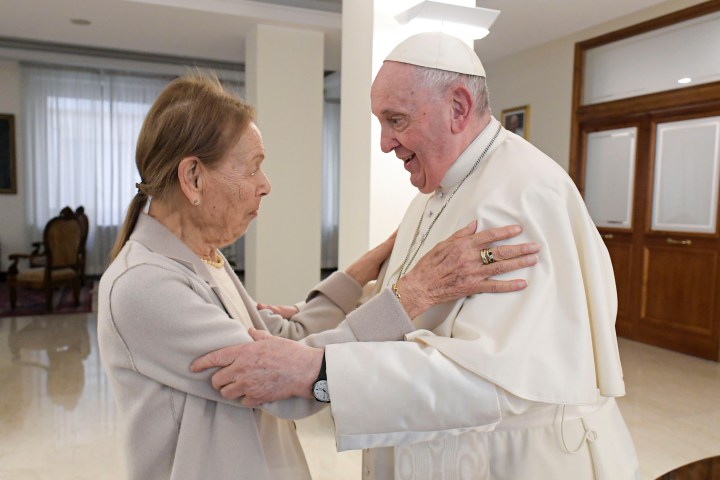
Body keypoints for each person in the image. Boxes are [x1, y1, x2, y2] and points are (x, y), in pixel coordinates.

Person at [192, 32, 640, 479]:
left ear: (459, 107)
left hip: (515, 461)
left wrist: (317, 369)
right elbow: (419, 312)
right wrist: (317, 320)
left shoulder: (523, 194)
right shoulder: (431, 197)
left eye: (397, 120)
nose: (386, 143)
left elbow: (495, 379)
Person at [97, 72, 540, 480]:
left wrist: (372, 263)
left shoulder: (202, 257)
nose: (265, 184)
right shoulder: (144, 286)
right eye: (252, 167)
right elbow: (284, 386)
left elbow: (287, 337)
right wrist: (411, 295)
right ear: (193, 177)